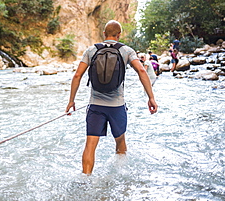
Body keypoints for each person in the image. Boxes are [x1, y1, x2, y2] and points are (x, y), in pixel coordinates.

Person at [65, 20, 158, 175]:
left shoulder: (91, 50)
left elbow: (77, 75)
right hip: (117, 106)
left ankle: (85, 179)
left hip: (95, 106)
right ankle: (119, 175)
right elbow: (142, 71)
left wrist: (71, 101)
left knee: (90, 145)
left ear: (104, 34)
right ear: (119, 35)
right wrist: (151, 97)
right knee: (120, 140)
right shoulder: (126, 50)